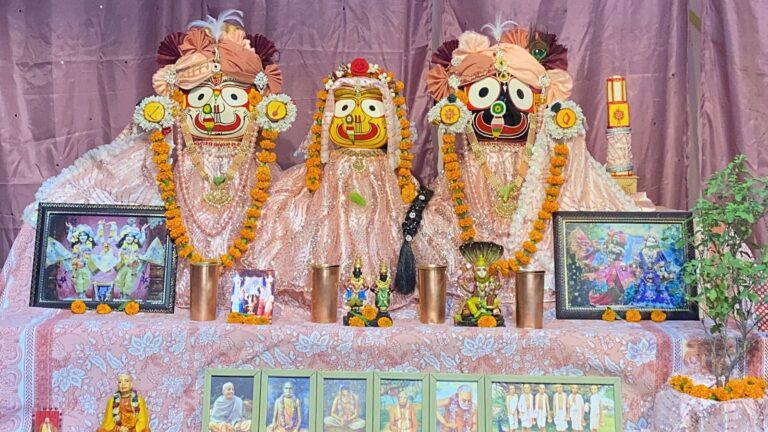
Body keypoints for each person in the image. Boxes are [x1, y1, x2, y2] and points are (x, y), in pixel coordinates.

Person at [16, 9, 288, 310]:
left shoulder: (263, 164)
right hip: (185, 166)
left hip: (246, 170)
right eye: (200, 97)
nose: (215, 110)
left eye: (233, 97)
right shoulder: (163, 155)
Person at [418, 21, 641, 304]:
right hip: (472, 203)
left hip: (529, 250)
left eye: (515, 95)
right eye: (485, 94)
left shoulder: (542, 161)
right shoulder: (465, 161)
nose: (500, 107)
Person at [241, 57, 433, 309]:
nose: (356, 119)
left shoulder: (392, 171)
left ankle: (380, 287)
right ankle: (328, 286)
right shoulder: (322, 168)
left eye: (371, 110)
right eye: (344, 109)